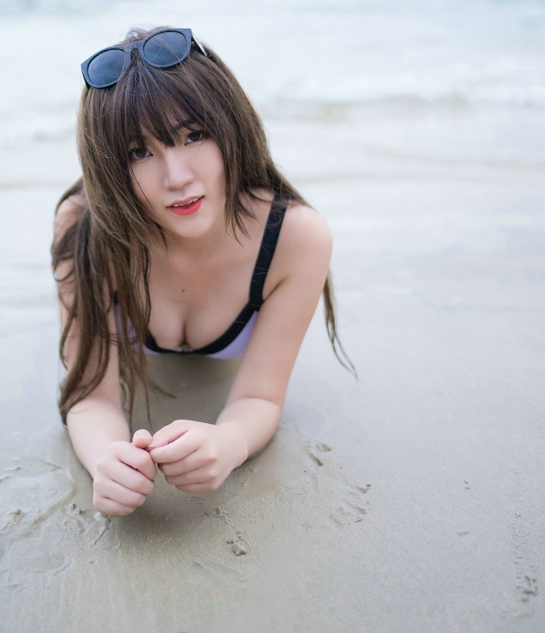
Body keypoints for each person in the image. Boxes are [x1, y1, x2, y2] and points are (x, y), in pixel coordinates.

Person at [52, 26, 350, 517]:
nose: (177, 177)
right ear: (109, 165)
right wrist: (106, 458)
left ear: (232, 124)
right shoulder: (85, 229)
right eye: (138, 152)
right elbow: (90, 396)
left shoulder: (294, 239)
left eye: (194, 135)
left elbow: (260, 397)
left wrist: (229, 441)